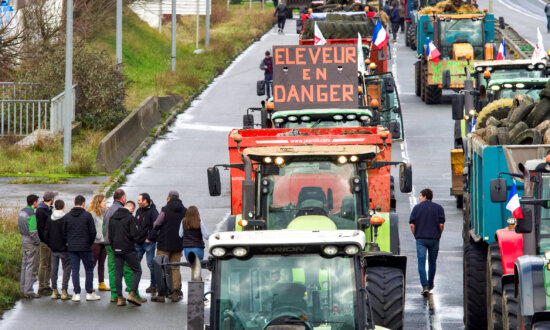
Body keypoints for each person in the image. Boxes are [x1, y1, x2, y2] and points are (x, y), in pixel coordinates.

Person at [103, 189, 146, 303]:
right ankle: (133, 293)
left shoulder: (109, 211)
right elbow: (133, 234)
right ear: (122, 198)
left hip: (111, 245)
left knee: (115, 271)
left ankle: (116, 296)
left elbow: (106, 229)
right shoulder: (124, 213)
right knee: (130, 270)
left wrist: (112, 244)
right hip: (126, 246)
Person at [150, 190, 187, 303]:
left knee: (160, 267)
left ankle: (161, 294)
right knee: (175, 268)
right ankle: (175, 293)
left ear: (169, 198)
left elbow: (157, 224)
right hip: (177, 244)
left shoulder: (165, 209)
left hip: (164, 244)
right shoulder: (185, 211)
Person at [62, 195, 101, 302]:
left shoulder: (67, 216)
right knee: (89, 269)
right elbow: (93, 232)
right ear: (83, 203)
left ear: (75, 202)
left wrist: (69, 242)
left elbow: (63, 232)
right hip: (85, 247)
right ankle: (89, 292)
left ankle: (76, 293)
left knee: (75, 270)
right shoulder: (87, 216)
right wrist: (88, 243)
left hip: (72, 247)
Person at [409, 188, 445, 295]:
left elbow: (412, 224)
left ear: (425, 196)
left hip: (421, 239)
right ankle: (430, 284)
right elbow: (441, 224)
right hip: (434, 239)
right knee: (432, 262)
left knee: (421, 262)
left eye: (420, 196)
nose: (419, 198)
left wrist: (416, 235)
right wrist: (439, 235)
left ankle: (424, 286)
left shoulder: (416, 208)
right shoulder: (438, 208)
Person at [109, 201, 142, 306]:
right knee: (137, 270)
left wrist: (114, 246)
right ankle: (132, 293)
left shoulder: (112, 218)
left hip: (116, 249)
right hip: (128, 249)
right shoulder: (130, 218)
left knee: (118, 273)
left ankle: (119, 298)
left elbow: (110, 235)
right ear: (131, 209)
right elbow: (134, 234)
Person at [47, 200, 72, 300]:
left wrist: (50, 243)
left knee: (54, 269)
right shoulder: (65, 218)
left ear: (55, 207)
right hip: (64, 248)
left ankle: (54, 290)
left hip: (53, 247)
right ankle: (64, 291)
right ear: (64, 207)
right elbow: (67, 233)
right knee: (66, 269)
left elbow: (47, 232)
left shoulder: (50, 218)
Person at [135, 193, 159, 293]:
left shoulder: (153, 211)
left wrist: (150, 238)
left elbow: (157, 226)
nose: (137, 201)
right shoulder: (138, 211)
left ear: (145, 201)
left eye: (139, 200)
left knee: (151, 265)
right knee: (135, 264)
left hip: (148, 242)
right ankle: (133, 286)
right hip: (138, 242)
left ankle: (154, 285)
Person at [19, 194, 41, 298]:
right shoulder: (32, 214)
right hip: (31, 241)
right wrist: (38, 242)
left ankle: (22, 288)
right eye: (37, 201)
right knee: (31, 266)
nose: (38, 203)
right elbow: (33, 231)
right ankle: (28, 290)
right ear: (34, 202)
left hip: (23, 238)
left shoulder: (22, 211)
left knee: (25, 264)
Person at [36, 191, 57, 296]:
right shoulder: (41, 210)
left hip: (50, 241)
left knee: (49, 265)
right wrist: (45, 240)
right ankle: (41, 287)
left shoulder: (47, 209)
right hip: (45, 242)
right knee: (44, 264)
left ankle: (46, 285)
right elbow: (40, 228)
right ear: (51, 199)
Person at [87, 194, 109, 292]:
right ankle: (89, 283)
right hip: (96, 242)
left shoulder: (106, 213)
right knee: (93, 263)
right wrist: (100, 237)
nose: (105, 203)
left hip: (104, 242)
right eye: (104, 201)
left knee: (102, 263)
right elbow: (91, 229)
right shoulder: (92, 214)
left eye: (105, 201)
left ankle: (101, 283)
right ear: (98, 202)